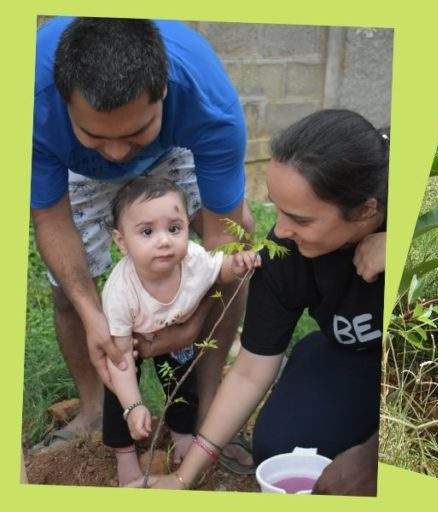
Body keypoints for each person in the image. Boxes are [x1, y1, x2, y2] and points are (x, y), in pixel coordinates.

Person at [31, 17, 252, 450]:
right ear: (63, 101)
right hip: (73, 162)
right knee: (67, 289)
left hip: (175, 147)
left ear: (163, 92)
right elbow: (51, 220)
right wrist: (94, 316)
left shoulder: (209, 107)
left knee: (235, 251)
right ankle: (94, 412)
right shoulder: (30, 104)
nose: (116, 154)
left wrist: (194, 316)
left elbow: (223, 239)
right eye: (96, 133)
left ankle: (208, 408)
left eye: (133, 132)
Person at [143, 109, 387, 495]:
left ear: (365, 211)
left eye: (301, 219)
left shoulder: (424, 228)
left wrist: (373, 457)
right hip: (350, 352)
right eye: (276, 207)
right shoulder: (283, 252)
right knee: (282, 451)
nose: (282, 230)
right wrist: (182, 478)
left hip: (414, 369)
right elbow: (248, 372)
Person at [101, 177, 259, 485]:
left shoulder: (194, 258)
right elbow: (119, 356)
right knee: (118, 391)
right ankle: (124, 453)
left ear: (187, 226)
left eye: (174, 228)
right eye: (147, 232)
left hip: (174, 332)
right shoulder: (120, 292)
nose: (164, 241)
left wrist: (237, 264)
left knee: (184, 382)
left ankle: (182, 432)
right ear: (121, 242)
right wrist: (134, 406)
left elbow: (220, 269)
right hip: (130, 342)